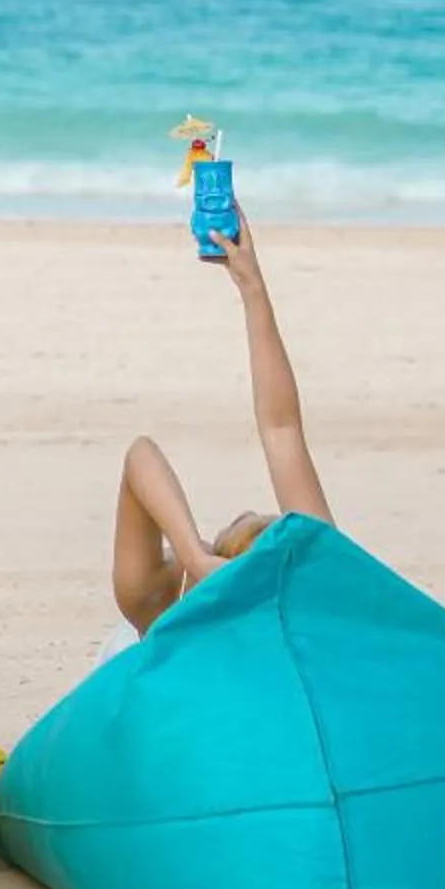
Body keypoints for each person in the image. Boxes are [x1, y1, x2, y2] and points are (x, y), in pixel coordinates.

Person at [111, 210, 331, 641]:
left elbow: (141, 455)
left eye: (242, 521)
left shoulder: (159, 607)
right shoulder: (309, 598)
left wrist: (195, 557)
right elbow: (281, 429)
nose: (246, 509)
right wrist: (252, 286)